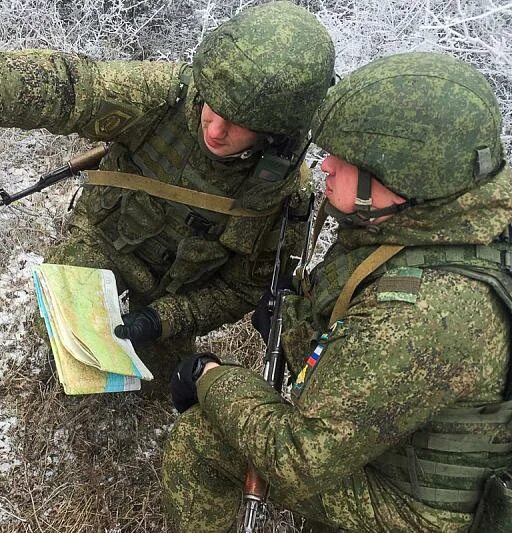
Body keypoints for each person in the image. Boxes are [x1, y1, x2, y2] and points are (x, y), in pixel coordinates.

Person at [0, 2, 335, 376]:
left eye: (238, 124)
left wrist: (166, 320)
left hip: (175, 296)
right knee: (59, 346)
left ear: (280, 129)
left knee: (150, 384)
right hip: (103, 241)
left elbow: (243, 290)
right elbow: (61, 87)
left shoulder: (287, 194)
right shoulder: (166, 95)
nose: (214, 130)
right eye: (211, 108)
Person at [163, 52, 512, 532]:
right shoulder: (450, 216)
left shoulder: (425, 311)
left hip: (428, 511)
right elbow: (354, 334)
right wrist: (297, 320)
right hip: (404, 435)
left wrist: (212, 376)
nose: (324, 164)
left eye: (345, 161)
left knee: (202, 440)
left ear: (399, 182)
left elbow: (298, 457)